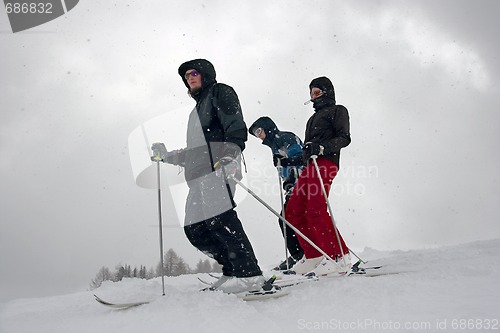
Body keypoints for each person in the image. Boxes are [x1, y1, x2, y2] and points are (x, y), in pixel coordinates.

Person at [151, 59, 266, 293]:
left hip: (219, 168)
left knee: (220, 219)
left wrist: (230, 155)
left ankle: (249, 274)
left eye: (193, 73)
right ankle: (232, 269)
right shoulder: (195, 112)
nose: (189, 78)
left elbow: (235, 125)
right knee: (195, 229)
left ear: (205, 74)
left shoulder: (220, 92)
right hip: (198, 176)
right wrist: (166, 156)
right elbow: (193, 152)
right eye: (186, 76)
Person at [285, 76, 351, 276]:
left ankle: (339, 255)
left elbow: (344, 138)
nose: (314, 97)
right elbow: (308, 149)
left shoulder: (339, 110)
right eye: (311, 93)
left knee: (315, 208)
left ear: (327, 92)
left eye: (317, 92)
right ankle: (314, 255)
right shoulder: (311, 119)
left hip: (326, 163)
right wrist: (291, 162)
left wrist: (322, 148)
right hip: (309, 166)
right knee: (293, 211)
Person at [248, 116, 305, 270]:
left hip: (302, 182)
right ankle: (301, 255)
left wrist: (293, 178)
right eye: (255, 134)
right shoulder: (274, 145)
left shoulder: (284, 137)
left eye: (259, 130)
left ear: (267, 127)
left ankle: (301, 255)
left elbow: (298, 156)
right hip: (293, 185)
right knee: (287, 219)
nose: (258, 135)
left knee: (287, 219)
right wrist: (287, 183)